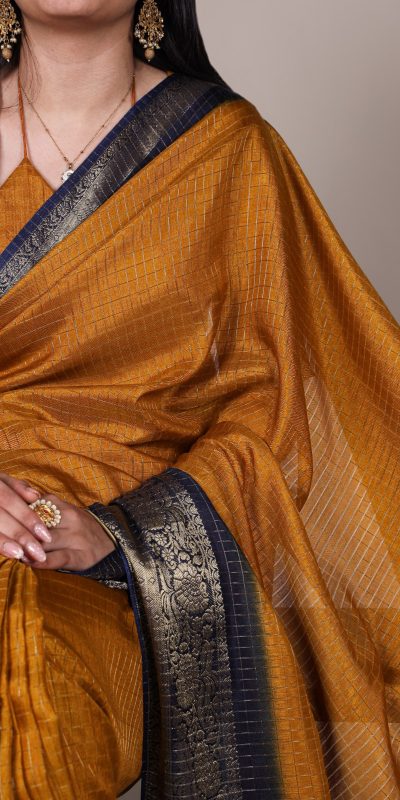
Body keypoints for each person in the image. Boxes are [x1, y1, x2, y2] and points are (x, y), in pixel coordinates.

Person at [0, 0, 399, 797]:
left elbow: (281, 408)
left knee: (38, 709)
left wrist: (123, 534)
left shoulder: (224, 150)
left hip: (113, 573)